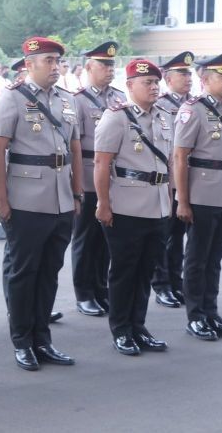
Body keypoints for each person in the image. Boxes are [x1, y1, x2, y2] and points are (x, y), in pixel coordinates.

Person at [0, 37, 83, 371]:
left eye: (58, 60)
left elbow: (74, 149)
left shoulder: (67, 100)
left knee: (49, 273)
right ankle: (22, 341)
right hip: (26, 200)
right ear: (29, 64)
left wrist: (77, 193)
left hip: (60, 200)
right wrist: (0, 199)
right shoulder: (11, 100)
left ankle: (43, 339)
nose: (55, 66)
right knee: (23, 272)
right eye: (48, 60)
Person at [94, 59, 171, 356]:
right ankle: (122, 330)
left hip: (158, 205)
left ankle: (139, 326)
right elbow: (102, 164)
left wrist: (172, 199)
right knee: (124, 271)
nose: (153, 87)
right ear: (129, 86)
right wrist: (103, 203)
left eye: (155, 82)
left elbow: (170, 163)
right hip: (126, 206)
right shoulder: (117, 117)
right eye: (146, 83)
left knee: (145, 271)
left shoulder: (164, 116)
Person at [173, 50, 222, 341]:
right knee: (197, 259)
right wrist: (183, 200)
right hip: (202, 195)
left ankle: (212, 313)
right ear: (205, 80)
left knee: (214, 260)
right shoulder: (193, 110)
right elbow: (179, 157)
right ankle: (196, 317)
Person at [70, 41, 125, 317]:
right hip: (89, 174)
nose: (109, 70)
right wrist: (77, 183)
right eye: (104, 65)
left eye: (112, 65)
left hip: (112, 176)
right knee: (85, 238)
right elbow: (75, 145)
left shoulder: (118, 98)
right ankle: (84, 293)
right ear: (88, 67)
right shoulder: (77, 100)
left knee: (106, 238)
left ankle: (101, 288)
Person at [151, 51, 195, 309]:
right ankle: (162, 285)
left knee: (182, 236)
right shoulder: (160, 105)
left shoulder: (199, 104)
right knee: (166, 236)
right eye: (182, 73)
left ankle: (178, 283)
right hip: (169, 179)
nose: (187, 78)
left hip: (193, 178)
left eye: (189, 73)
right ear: (168, 78)